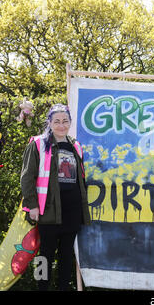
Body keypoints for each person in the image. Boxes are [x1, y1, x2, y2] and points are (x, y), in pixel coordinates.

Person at [20, 103, 91, 291]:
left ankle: (63, 288)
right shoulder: (37, 144)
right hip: (48, 209)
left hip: (72, 210)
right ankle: (41, 288)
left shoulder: (76, 145)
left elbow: (80, 178)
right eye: (57, 121)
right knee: (44, 255)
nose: (61, 125)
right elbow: (27, 177)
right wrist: (32, 206)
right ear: (49, 123)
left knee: (67, 254)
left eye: (65, 121)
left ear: (70, 123)